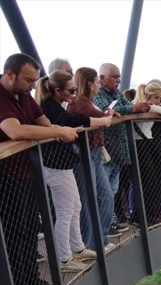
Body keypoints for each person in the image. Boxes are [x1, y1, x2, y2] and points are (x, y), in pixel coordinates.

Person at [0, 54, 81, 285]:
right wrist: (57, 130)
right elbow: (15, 130)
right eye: (28, 80)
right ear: (10, 74)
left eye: (35, 80)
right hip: (7, 178)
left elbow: (42, 122)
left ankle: (32, 279)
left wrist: (52, 129)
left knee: (28, 231)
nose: (33, 86)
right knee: (15, 233)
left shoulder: (23, 96)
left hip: (27, 172)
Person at [35, 70, 109, 272]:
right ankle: (64, 258)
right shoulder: (51, 107)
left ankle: (76, 248)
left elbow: (71, 118)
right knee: (65, 211)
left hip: (60, 163)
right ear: (57, 90)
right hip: (54, 164)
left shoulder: (53, 105)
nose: (74, 93)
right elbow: (70, 120)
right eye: (71, 90)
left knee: (74, 207)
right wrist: (101, 121)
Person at [95, 63, 150, 233]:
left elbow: (122, 107)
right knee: (105, 191)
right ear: (102, 78)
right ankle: (104, 225)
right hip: (108, 149)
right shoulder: (99, 94)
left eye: (119, 76)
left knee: (113, 188)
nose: (119, 80)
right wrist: (132, 108)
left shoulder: (117, 93)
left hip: (119, 151)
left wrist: (128, 108)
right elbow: (107, 111)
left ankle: (108, 222)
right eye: (115, 76)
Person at [69, 67, 117, 253]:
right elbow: (104, 120)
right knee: (89, 199)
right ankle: (91, 243)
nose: (99, 85)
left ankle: (98, 241)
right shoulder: (81, 103)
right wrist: (109, 114)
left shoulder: (86, 102)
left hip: (93, 153)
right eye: (97, 82)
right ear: (90, 84)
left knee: (104, 197)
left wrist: (107, 115)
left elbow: (102, 118)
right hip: (86, 154)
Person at [131, 82, 161, 225]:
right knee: (148, 182)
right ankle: (148, 214)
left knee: (152, 181)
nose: (158, 101)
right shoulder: (141, 105)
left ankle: (151, 214)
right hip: (141, 143)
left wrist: (153, 107)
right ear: (147, 95)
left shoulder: (143, 105)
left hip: (145, 142)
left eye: (160, 98)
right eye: (156, 98)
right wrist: (154, 107)